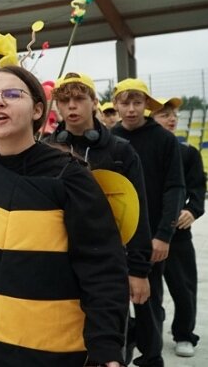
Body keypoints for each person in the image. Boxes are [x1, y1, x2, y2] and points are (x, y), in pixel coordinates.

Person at [0, 66, 129, 367]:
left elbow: (103, 269)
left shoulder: (70, 178)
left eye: (11, 94)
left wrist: (107, 349)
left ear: (37, 110)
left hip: (47, 353)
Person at [46, 73, 154, 362]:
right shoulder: (44, 149)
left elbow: (138, 211)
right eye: (64, 100)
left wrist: (139, 270)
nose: (72, 106)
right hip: (59, 260)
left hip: (110, 262)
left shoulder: (121, 151)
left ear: (94, 102)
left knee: (109, 342)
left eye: (79, 98)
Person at [111, 78, 185, 367]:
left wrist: (164, 235)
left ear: (146, 106)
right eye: (125, 103)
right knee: (114, 301)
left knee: (148, 302)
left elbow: (175, 187)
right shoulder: (108, 138)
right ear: (115, 105)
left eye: (137, 103)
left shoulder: (164, 140)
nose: (131, 109)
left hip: (151, 236)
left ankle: (152, 357)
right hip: (116, 238)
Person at [151, 97, 203, 358]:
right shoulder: (138, 151)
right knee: (148, 291)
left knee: (183, 288)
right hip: (147, 233)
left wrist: (192, 210)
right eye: (163, 114)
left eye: (172, 114)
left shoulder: (188, 154)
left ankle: (184, 334)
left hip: (178, 235)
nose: (171, 118)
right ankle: (149, 335)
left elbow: (197, 189)